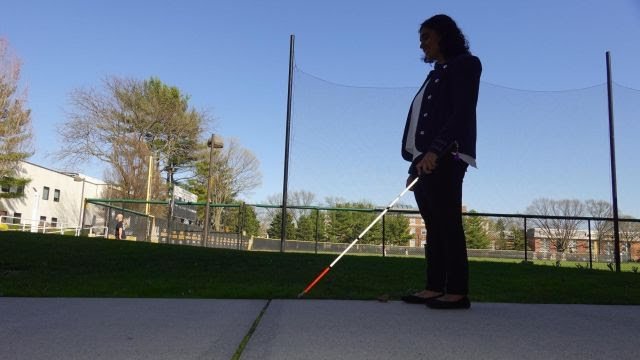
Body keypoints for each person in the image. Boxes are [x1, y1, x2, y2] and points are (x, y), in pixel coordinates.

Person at [400, 14, 481, 309]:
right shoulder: (436, 72)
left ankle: (457, 291)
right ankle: (434, 286)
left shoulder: (466, 65)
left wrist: (436, 151)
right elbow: (424, 122)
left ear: (444, 36)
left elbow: (460, 113)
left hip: (450, 153)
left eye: (427, 38)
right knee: (433, 225)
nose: (422, 45)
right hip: (427, 158)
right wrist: (415, 165)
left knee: (447, 222)